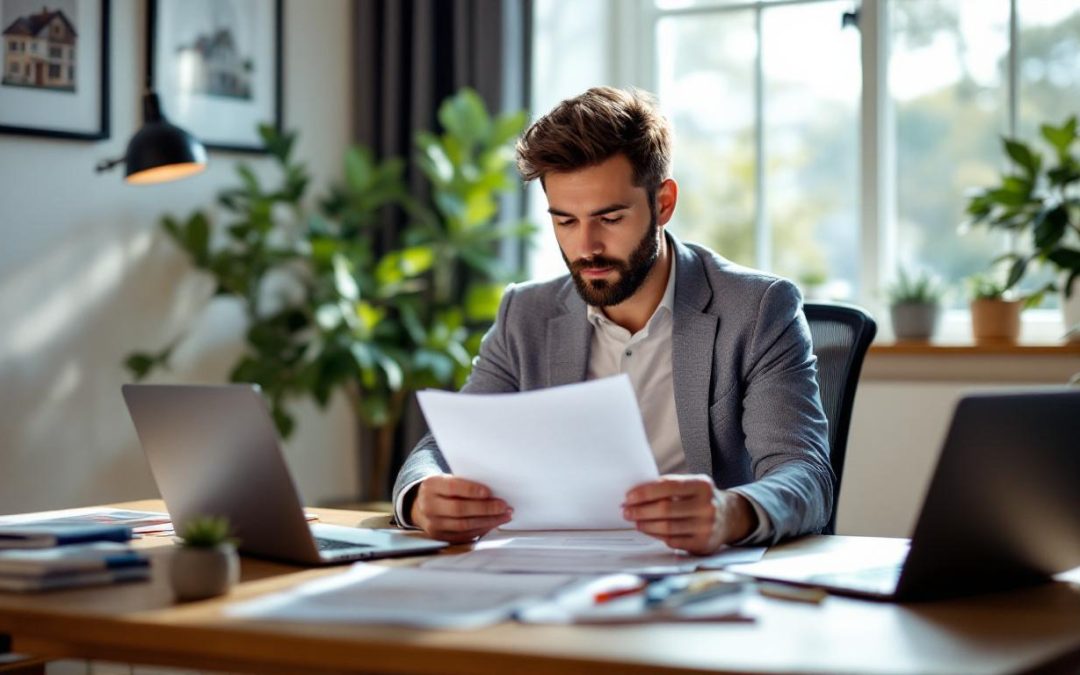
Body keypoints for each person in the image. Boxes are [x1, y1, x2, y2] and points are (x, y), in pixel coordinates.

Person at [392, 86, 833, 555]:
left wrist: (731, 512)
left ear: (663, 203)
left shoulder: (759, 309)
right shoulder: (526, 314)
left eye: (610, 217)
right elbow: (442, 448)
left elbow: (804, 473)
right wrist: (422, 497)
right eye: (565, 221)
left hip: (695, 581)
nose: (586, 247)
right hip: (552, 572)